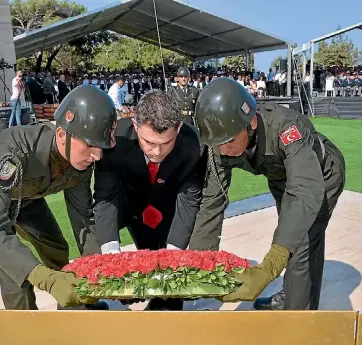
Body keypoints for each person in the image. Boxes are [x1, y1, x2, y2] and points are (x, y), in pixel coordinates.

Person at [0, 85, 117, 311]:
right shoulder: (13, 155)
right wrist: (46, 279)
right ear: (62, 134)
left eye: (101, 147)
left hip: (27, 198)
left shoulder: (80, 158)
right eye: (90, 145)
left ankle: (73, 302)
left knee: (56, 248)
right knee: (15, 275)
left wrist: (96, 269)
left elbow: (83, 217)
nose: (97, 156)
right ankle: (23, 333)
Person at [190, 77, 345, 310]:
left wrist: (269, 267)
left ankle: (298, 321)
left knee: (300, 242)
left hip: (321, 175)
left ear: (251, 122)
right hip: (282, 181)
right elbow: (213, 201)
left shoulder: (286, 127)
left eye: (229, 140)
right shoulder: (222, 143)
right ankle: (292, 294)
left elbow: (304, 190)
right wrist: (199, 262)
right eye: (217, 143)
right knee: (295, 236)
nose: (223, 150)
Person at [92, 90, 205, 311]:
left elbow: (189, 203)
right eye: (149, 142)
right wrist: (113, 259)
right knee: (101, 237)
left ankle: (167, 305)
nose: (157, 151)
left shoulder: (194, 146)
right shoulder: (115, 141)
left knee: (168, 273)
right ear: (135, 125)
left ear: (179, 129)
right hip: (130, 204)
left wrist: (172, 259)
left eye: (166, 142)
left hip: (169, 205)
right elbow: (105, 198)